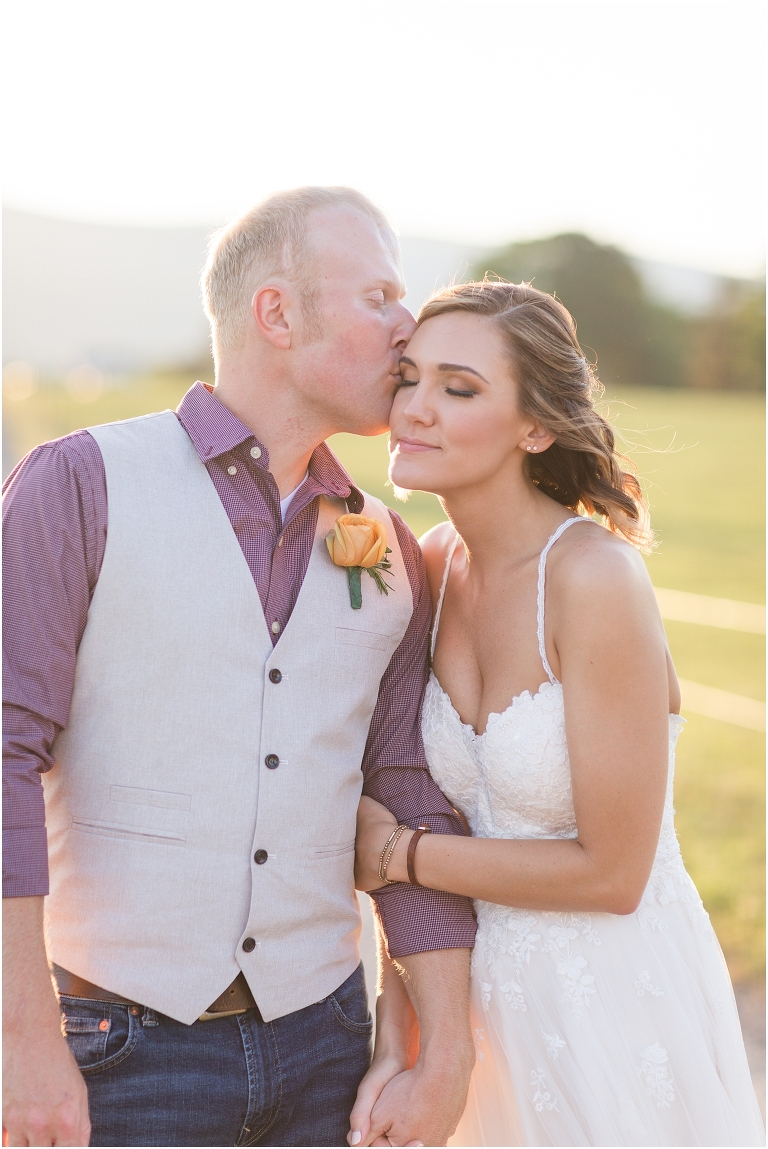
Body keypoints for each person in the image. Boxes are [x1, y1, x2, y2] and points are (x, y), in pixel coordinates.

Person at [2, 187, 477, 1149]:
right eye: (379, 294)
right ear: (277, 313)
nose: (408, 324)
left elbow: (402, 790)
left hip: (330, 1047)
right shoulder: (78, 482)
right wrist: (22, 1040)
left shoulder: (389, 547)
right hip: (117, 1055)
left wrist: (443, 1049)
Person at [354, 280, 764, 1146]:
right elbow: (414, 787)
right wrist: (404, 1035)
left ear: (534, 427)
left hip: (609, 1006)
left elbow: (613, 874)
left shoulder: (593, 579)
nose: (415, 409)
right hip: (474, 1013)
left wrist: (398, 854)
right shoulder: (429, 562)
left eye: (459, 389)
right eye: (409, 378)